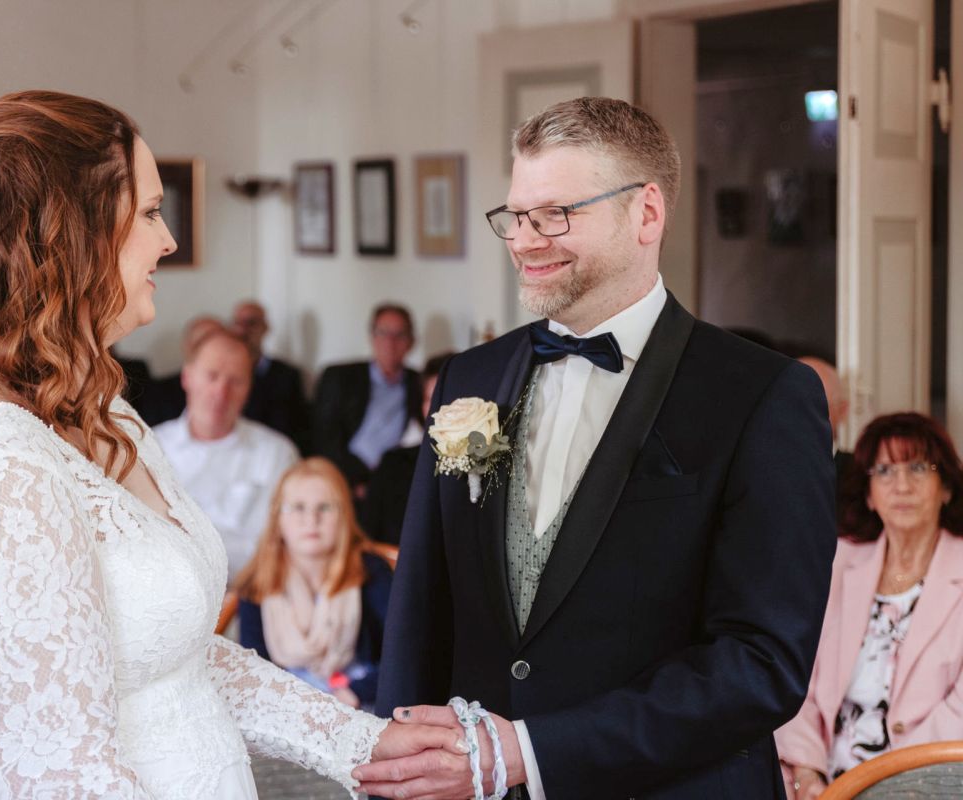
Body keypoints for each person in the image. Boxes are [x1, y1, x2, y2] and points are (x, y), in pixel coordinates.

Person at [0, 90, 456, 799]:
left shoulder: (99, 405)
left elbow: (177, 661)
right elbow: (58, 784)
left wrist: (365, 742)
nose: (168, 240)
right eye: (147, 213)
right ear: (67, 234)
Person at [359, 97, 837, 799]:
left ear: (647, 213)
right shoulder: (471, 377)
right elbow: (420, 611)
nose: (525, 240)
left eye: (557, 215)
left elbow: (760, 665)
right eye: (517, 217)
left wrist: (534, 751)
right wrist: (397, 773)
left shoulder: (762, 396)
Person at [776, 412, 963, 798]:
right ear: (867, 493)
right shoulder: (839, 562)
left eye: (917, 468)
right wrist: (809, 775)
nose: (901, 486)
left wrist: (876, 784)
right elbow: (795, 676)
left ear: (945, 488)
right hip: (818, 781)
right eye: (884, 471)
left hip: (924, 782)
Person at [236, 457, 392, 711]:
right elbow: (253, 669)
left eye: (325, 508)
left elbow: (401, 655)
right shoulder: (258, 579)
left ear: (344, 515)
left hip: (357, 704)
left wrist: (355, 692)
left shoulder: (370, 570)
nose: (311, 520)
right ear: (277, 518)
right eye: (297, 507)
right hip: (285, 707)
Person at [153, 329, 298, 582]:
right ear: (187, 377)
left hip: (249, 599)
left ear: (249, 387)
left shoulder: (277, 454)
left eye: (236, 380)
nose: (221, 392)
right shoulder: (148, 446)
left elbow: (290, 544)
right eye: (212, 376)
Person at [312, 304, 422, 493]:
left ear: (411, 342)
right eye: (383, 332)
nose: (390, 342)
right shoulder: (339, 377)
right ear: (371, 337)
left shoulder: (418, 383)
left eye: (399, 335)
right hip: (342, 479)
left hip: (392, 484)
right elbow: (323, 436)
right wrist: (352, 483)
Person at [360, 352, 453, 545]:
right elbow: (367, 539)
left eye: (447, 398)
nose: (438, 409)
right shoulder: (392, 463)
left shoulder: (487, 465)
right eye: (430, 399)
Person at [230, 299, 310, 447]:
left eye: (251, 323)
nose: (243, 330)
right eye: (238, 323)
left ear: (265, 327)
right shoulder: (224, 375)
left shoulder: (288, 375)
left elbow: (300, 428)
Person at [141, 314, 224, 426]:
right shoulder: (158, 394)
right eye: (200, 343)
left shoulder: (247, 390)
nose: (207, 351)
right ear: (186, 346)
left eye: (215, 344)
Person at [797, 355, 852, 485]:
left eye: (815, 406)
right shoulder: (760, 469)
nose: (801, 415)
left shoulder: (860, 473)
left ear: (842, 410)